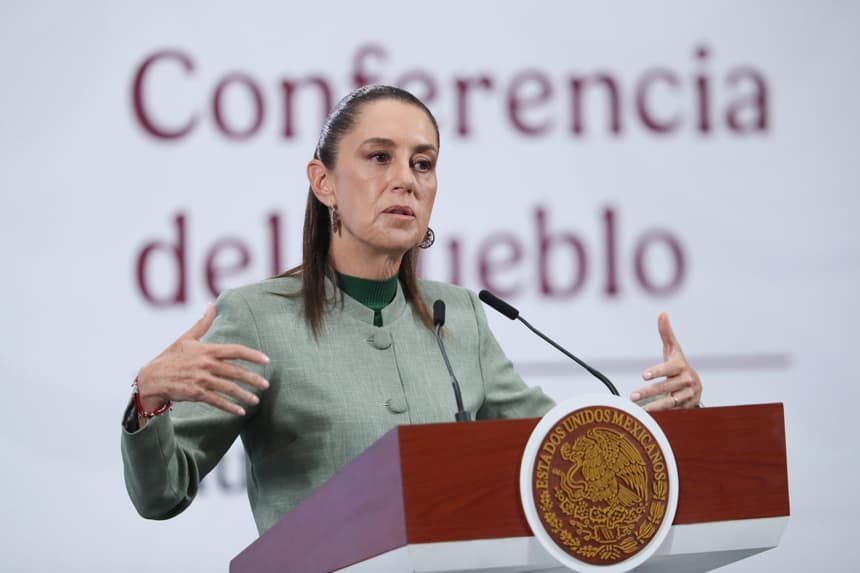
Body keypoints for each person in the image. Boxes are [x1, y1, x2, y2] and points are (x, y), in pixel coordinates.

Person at [121, 85, 703, 535]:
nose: (405, 179)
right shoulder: (259, 316)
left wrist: (663, 420)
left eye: (422, 164)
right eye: (379, 157)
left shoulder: (463, 316)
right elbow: (162, 494)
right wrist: (149, 402)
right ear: (323, 182)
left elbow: (558, 455)